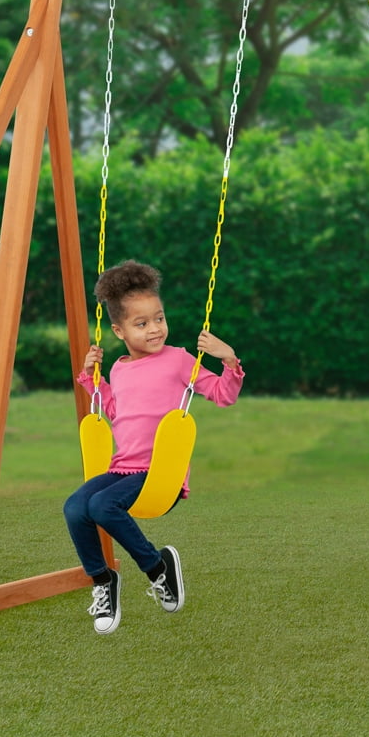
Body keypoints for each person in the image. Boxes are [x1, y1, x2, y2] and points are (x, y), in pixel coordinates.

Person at [66, 260, 244, 635]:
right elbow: (116, 411)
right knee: (75, 507)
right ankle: (103, 581)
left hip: (160, 473)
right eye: (141, 323)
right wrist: (89, 377)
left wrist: (227, 358)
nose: (154, 329)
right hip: (122, 468)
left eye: (158, 319)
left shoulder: (179, 359)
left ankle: (157, 568)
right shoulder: (119, 369)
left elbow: (223, 395)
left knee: (101, 505)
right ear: (119, 330)